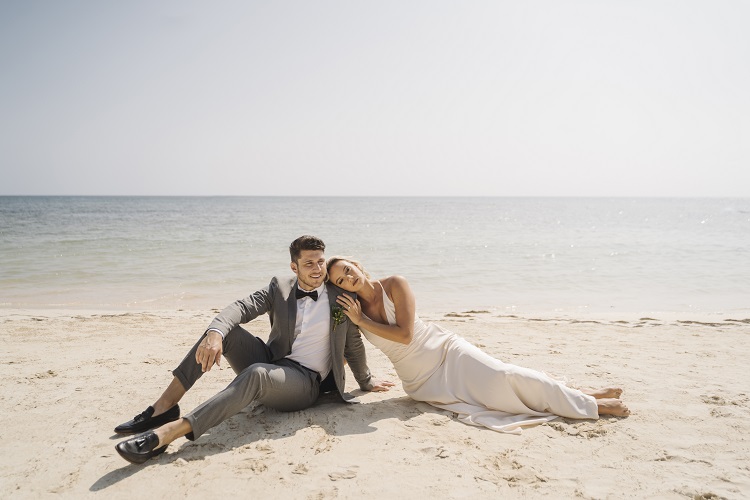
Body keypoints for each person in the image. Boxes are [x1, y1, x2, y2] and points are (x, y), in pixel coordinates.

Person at [114, 236, 392, 464]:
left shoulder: (340, 297)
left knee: (257, 374)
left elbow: (353, 343)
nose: (317, 269)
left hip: (304, 383)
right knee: (224, 331)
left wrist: (366, 381)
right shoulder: (279, 287)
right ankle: (163, 408)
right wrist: (214, 333)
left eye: (320, 261)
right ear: (295, 267)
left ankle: (168, 433)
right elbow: (241, 308)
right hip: (274, 360)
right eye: (309, 263)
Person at [326, 256, 630, 434]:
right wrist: (364, 381)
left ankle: (591, 403)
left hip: (446, 352)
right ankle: (579, 395)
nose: (348, 278)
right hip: (422, 383)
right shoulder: (352, 312)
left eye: (347, 270)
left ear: (357, 265)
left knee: (503, 376)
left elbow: (405, 334)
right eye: (340, 280)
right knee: (494, 401)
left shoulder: (394, 284)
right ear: (338, 288)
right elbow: (349, 350)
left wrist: (364, 322)